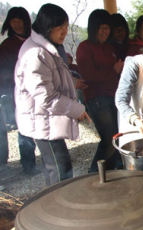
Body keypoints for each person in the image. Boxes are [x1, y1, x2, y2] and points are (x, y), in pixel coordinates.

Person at [14, 3, 89, 185]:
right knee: (60, 169)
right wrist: (77, 109)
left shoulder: (47, 48)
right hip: (40, 119)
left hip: (44, 118)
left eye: (66, 26)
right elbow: (45, 97)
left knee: (55, 167)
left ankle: (54, 206)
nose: (64, 31)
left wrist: (72, 83)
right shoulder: (36, 53)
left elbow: (54, 78)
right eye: (60, 27)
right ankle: (59, 210)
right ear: (48, 27)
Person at [76, 9, 123, 172]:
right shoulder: (84, 47)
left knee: (116, 137)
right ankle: (93, 174)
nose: (105, 31)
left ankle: (108, 173)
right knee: (109, 138)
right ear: (93, 28)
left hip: (113, 96)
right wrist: (114, 71)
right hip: (97, 99)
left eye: (107, 28)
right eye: (101, 28)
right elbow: (88, 76)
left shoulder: (109, 47)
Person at [0, 7, 37, 175]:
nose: (16, 24)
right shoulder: (7, 45)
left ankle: (35, 160)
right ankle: (28, 165)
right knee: (24, 126)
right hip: (16, 92)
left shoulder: (34, 41)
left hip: (36, 89)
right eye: (13, 21)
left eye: (19, 20)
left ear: (25, 22)